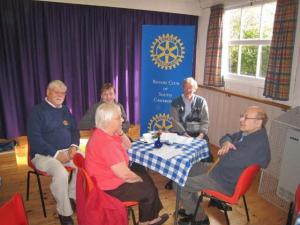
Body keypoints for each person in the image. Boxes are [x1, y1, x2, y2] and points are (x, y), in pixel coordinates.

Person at [177, 106, 271, 225]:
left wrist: (225, 148)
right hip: (221, 170)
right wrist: (227, 142)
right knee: (188, 169)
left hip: (223, 181)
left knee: (179, 183)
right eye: (242, 115)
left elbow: (224, 159)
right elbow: (226, 136)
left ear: (258, 122)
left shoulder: (255, 146)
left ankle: (200, 218)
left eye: (246, 117)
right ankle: (192, 209)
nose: (241, 119)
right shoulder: (249, 133)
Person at [85, 103, 169, 225]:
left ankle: (151, 218)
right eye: (119, 117)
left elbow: (128, 146)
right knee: (148, 188)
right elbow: (125, 175)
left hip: (107, 178)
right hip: (108, 188)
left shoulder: (105, 133)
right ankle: (145, 222)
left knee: (146, 179)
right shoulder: (106, 144)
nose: (123, 119)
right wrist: (139, 179)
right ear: (108, 121)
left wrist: (120, 132)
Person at [27, 80, 79, 225]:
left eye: (63, 93)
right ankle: (64, 213)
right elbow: (34, 139)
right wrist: (56, 154)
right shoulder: (37, 111)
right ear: (48, 92)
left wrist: (74, 145)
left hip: (66, 151)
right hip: (43, 155)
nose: (60, 95)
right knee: (61, 173)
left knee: (84, 163)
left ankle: (70, 195)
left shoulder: (65, 110)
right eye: (56, 92)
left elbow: (75, 129)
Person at [166, 77, 212, 190]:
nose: (188, 90)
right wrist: (184, 134)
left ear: (195, 89)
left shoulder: (201, 101)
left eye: (191, 87)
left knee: (205, 149)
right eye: (186, 87)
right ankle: (174, 177)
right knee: (175, 153)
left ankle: (200, 176)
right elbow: (174, 120)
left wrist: (201, 135)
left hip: (197, 133)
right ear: (182, 88)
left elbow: (205, 120)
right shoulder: (175, 102)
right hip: (180, 132)